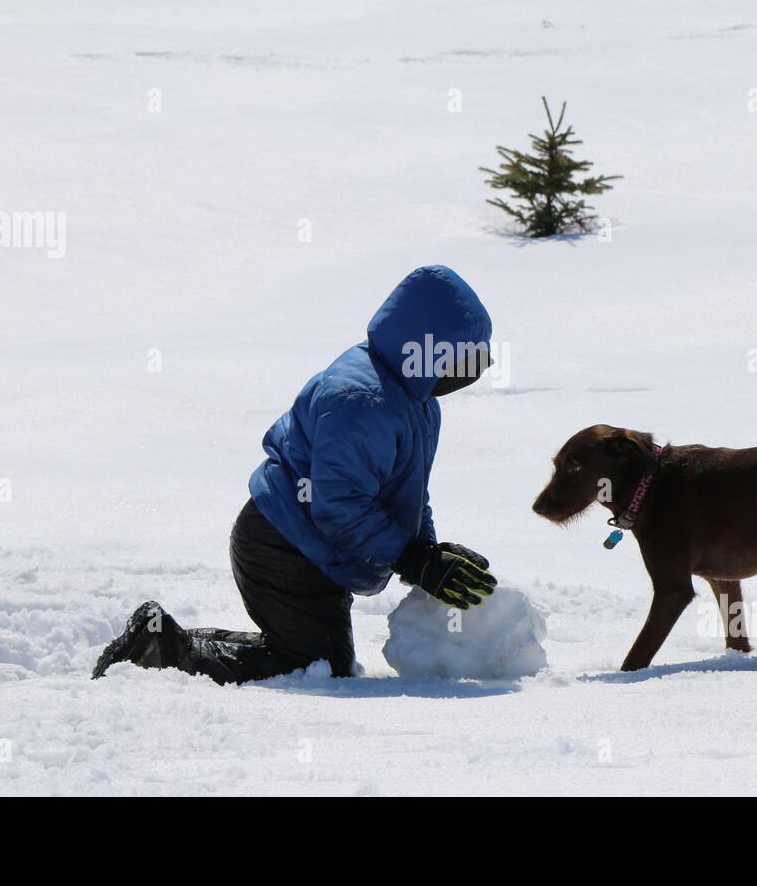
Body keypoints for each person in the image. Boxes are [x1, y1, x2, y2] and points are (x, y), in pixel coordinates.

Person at [92, 265, 498, 684]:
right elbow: (339, 503)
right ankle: (156, 651)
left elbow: (408, 492)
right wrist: (414, 560)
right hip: (283, 545)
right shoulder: (362, 400)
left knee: (311, 657)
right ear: (432, 348)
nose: (476, 369)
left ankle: (165, 638)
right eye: (468, 355)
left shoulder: (416, 401)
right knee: (313, 668)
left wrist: (430, 553)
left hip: (315, 548)